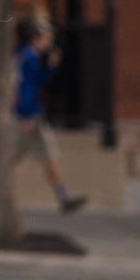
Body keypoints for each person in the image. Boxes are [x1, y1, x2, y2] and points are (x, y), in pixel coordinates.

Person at [12, 18, 86, 213]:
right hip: (29, 116)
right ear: (36, 38)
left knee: (42, 156)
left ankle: (63, 196)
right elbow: (25, 88)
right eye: (46, 38)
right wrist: (25, 114)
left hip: (30, 115)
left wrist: (50, 68)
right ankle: (63, 197)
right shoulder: (29, 57)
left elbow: (36, 83)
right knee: (30, 155)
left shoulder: (27, 57)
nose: (49, 42)